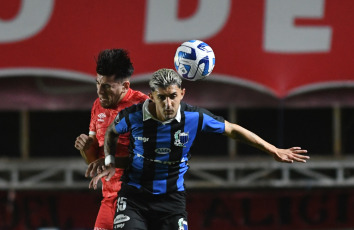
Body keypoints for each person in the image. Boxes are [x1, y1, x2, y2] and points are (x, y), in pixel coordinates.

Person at [89, 68, 310, 230]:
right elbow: (111, 132)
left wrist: (273, 150)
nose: (168, 104)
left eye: (173, 96)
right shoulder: (133, 115)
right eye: (162, 98)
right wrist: (109, 160)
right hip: (134, 197)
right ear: (153, 96)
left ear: (182, 94)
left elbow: (232, 129)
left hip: (171, 200)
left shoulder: (194, 117)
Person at [74, 49, 148, 230]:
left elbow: (153, 159)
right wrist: (86, 148)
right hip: (109, 199)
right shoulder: (97, 106)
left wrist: (113, 161)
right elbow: (94, 161)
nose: (100, 91)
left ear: (125, 86)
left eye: (107, 86)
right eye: (98, 83)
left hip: (137, 198)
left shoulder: (144, 108)